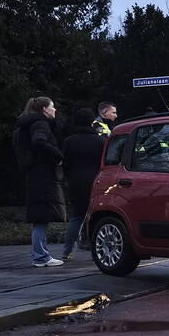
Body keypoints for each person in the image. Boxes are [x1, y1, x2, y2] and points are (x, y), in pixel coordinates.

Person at [14, 96, 66, 267]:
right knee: (41, 217)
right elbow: (39, 141)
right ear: (44, 109)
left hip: (34, 174)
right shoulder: (41, 123)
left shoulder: (25, 124)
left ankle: (40, 255)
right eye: (53, 107)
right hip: (42, 175)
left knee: (39, 217)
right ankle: (41, 257)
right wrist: (58, 155)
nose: (55, 110)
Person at [61, 108, 106, 259]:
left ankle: (67, 250)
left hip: (76, 182)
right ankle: (96, 252)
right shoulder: (100, 141)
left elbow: (65, 165)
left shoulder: (69, 141)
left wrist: (69, 178)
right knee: (97, 217)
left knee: (76, 217)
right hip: (96, 181)